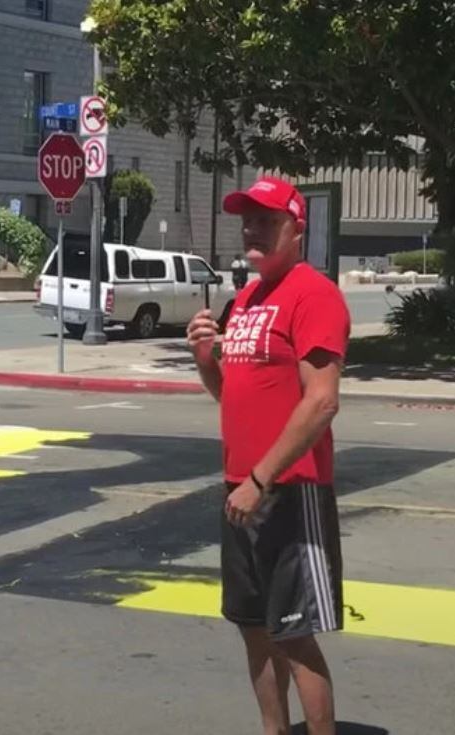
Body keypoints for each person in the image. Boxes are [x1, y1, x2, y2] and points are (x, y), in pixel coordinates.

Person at [186, 176, 351, 735]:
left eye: (266, 220)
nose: (252, 230)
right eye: (247, 220)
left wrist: (260, 480)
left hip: (289, 490)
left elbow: (322, 401)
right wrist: (205, 359)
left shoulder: (313, 294)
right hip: (241, 488)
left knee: (294, 635)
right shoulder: (245, 301)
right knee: (254, 629)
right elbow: (233, 395)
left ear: (296, 228)